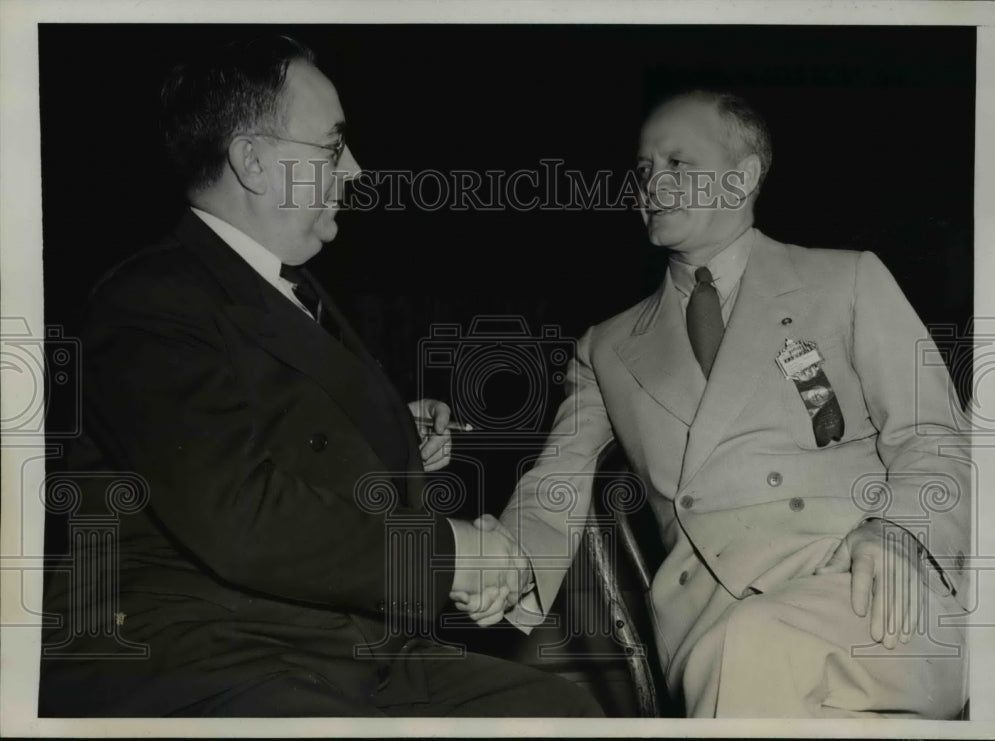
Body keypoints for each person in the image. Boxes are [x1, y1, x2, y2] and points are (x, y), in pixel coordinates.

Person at [38, 35, 600, 718]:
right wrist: (452, 554)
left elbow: (282, 429)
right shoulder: (149, 300)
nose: (356, 169)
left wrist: (391, 426)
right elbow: (240, 515)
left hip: (340, 645)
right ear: (252, 161)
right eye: (333, 147)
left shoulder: (286, 287)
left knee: (563, 712)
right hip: (211, 651)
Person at [480, 90, 971, 718]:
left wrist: (901, 530)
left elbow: (935, 435)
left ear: (741, 178)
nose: (651, 183)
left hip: (873, 590)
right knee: (748, 649)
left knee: (758, 649)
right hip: (716, 623)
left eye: (677, 164)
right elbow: (556, 483)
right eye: (642, 169)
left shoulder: (846, 280)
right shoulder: (606, 347)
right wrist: (501, 564)